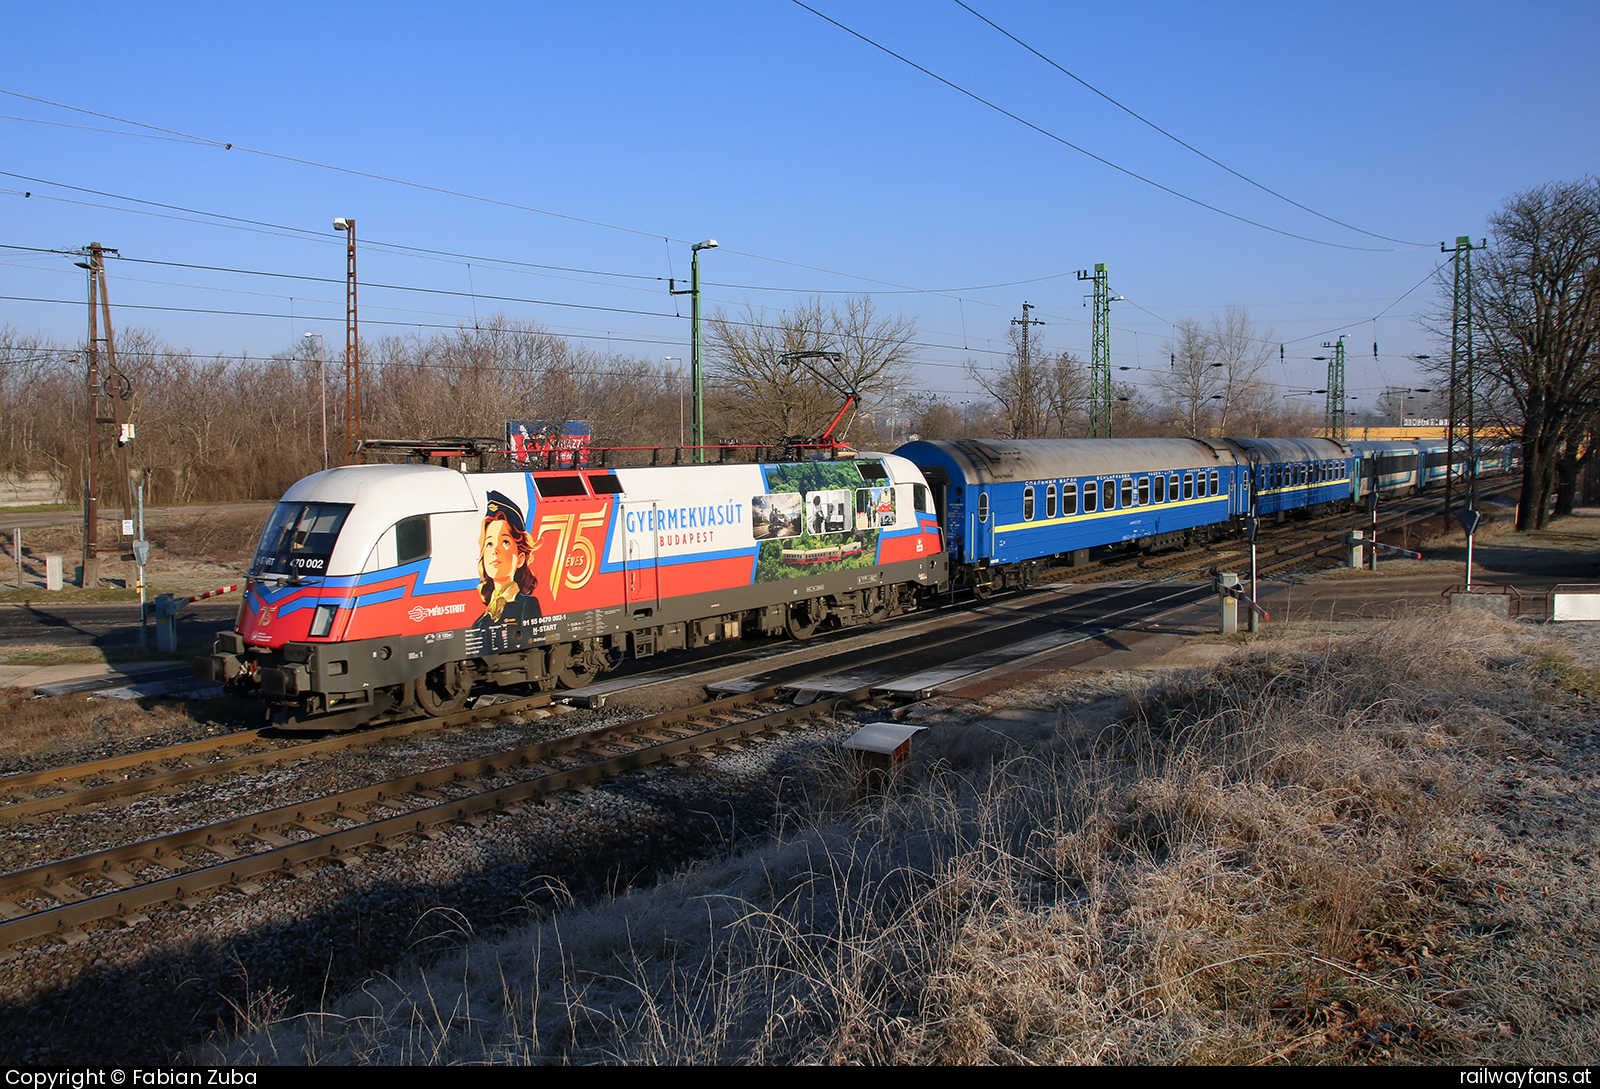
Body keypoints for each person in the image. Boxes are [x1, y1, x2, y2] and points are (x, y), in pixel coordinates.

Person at [473, 490, 541, 634]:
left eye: (505, 542)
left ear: (520, 559)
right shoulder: (478, 623)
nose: (495, 551)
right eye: (489, 544)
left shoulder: (526, 605)